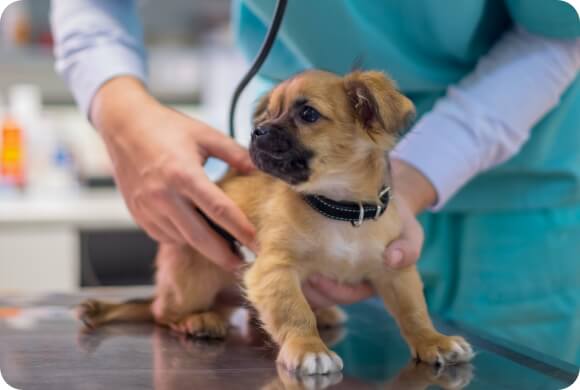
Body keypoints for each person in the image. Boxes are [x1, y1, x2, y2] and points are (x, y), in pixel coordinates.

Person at [50, 0, 580, 364]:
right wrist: (120, 110)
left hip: (519, 199)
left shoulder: (368, 114)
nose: (265, 132)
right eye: (265, 119)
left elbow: (561, 25)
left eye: (302, 116)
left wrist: (421, 174)